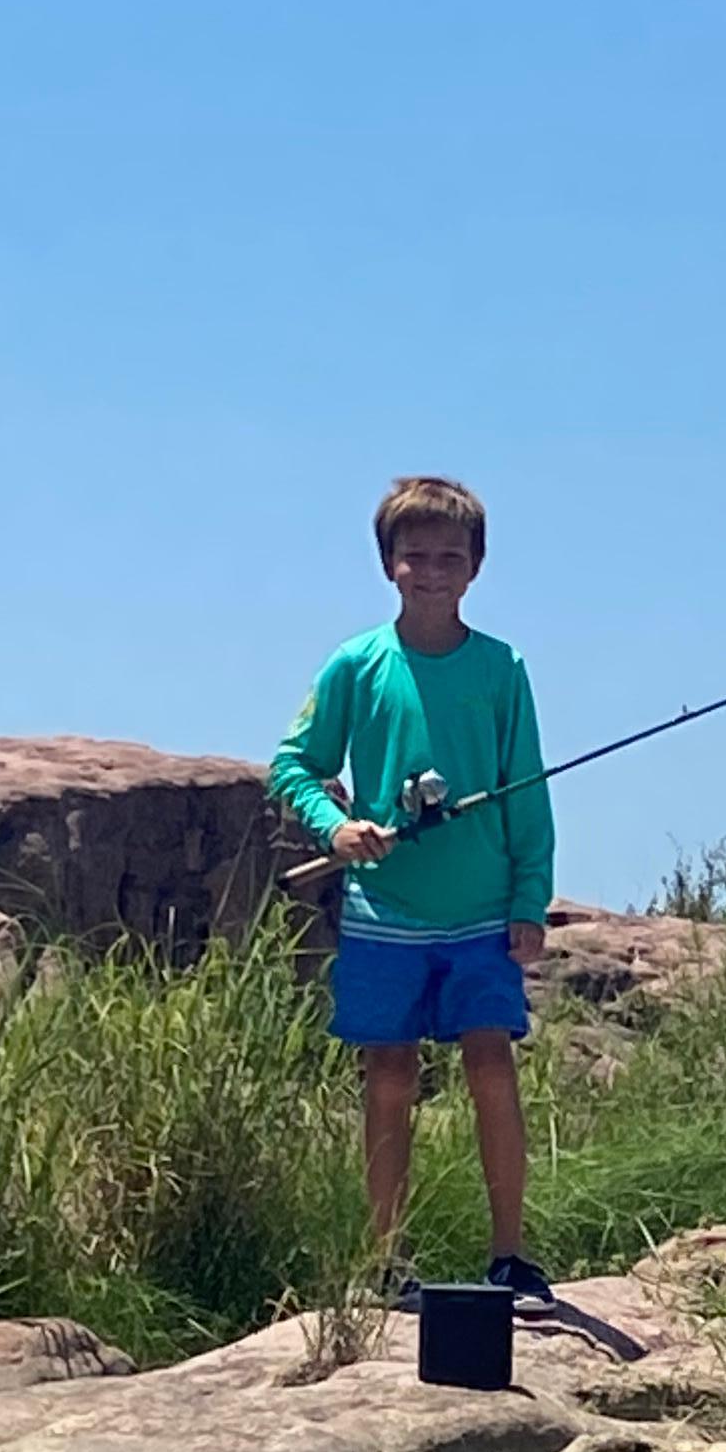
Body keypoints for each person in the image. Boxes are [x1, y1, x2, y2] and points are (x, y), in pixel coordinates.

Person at [268, 475, 555, 1296]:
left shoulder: (503, 668)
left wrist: (529, 900)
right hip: (384, 913)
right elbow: (295, 764)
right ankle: (387, 1264)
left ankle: (509, 1257)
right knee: (388, 1075)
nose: (431, 571)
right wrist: (336, 827)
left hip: (480, 913)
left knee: (490, 1064)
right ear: (388, 563)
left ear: (475, 569)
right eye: (415, 556)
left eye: (449, 558)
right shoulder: (357, 666)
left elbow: (527, 789)